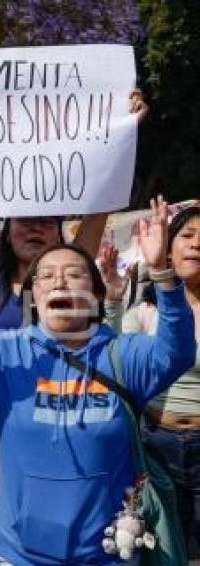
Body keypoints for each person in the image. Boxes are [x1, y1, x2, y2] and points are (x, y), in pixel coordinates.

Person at [0, 92, 148, 566]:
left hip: (75, 413)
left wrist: (128, 128)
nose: (34, 228)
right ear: (6, 228)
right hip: (3, 413)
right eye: (24, 220)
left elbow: (99, 206)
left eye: (46, 221)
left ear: (63, 237)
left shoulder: (74, 274)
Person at [0, 199, 196, 564]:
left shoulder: (124, 356)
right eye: (46, 276)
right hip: (19, 556)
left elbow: (175, 352)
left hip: (107, 556)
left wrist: (162, 272)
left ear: (96, 294)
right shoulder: (3, 353)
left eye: (74, 274)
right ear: (35, 296)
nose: (59, 280)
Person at [122, 205, 200, 552]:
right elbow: (118, 363)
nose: (197, 245)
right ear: (167, 248)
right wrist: (110, 297)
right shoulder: (144, 312)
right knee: (164, 547)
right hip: (154, 444)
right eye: (187, 235)